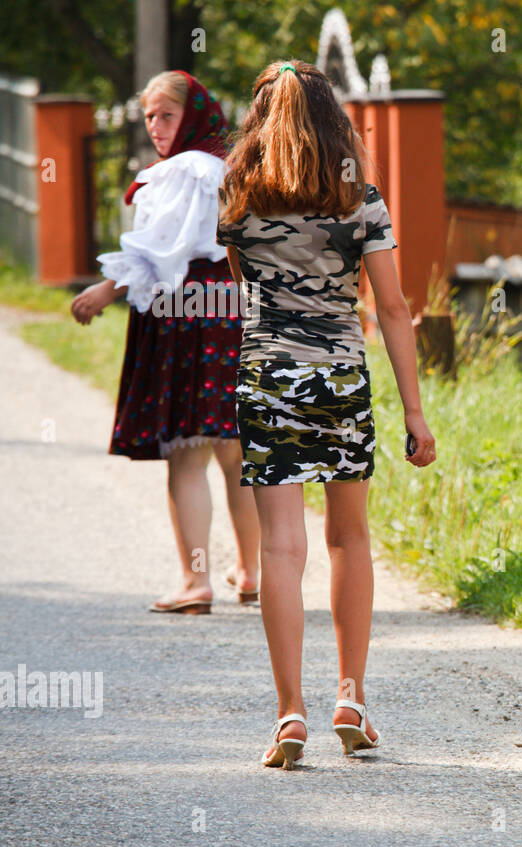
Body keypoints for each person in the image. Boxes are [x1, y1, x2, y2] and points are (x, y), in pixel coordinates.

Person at [217, 60, 436, 770]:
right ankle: (351, 697)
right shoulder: (361, 201)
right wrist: (415, 412)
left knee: (280, 547)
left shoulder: (236, 198)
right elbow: (394, 310)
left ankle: (289, 714)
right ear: (334, 123)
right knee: (348, 537)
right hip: (339, 380)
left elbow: (243, 283)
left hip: (266, 376)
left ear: (259, 123)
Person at [71, 70, 260, 615]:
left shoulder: (177, 173)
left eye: (166, 116)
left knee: (187, 453)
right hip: (232, 310)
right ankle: (250, 574)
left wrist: (106, 289)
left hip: (186, 314)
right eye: (149, 116)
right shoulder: (230, 169)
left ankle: (196, 582)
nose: (156, 126)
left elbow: (159, 254)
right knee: (234, 450)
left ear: (192, 116)